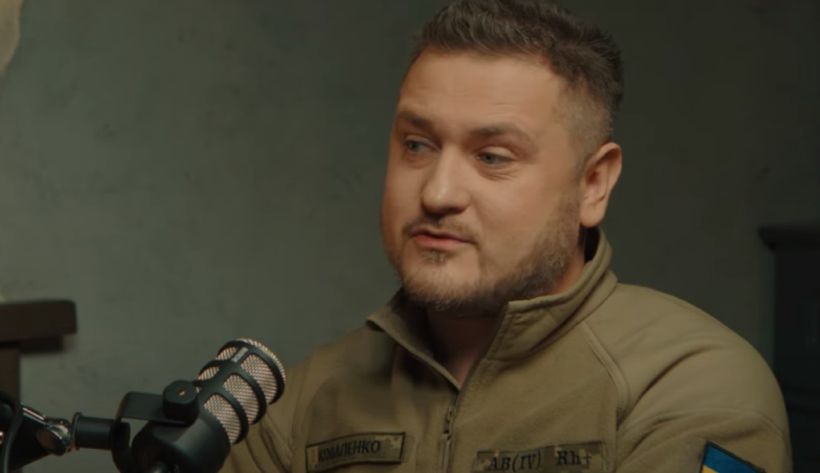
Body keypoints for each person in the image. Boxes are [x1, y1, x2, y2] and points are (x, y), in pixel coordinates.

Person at [222, 1, 791, 471]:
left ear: (593, 184)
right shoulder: (303, 399)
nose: (438, 192)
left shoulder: (686, 384)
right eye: (417, 145)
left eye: (492, 157)